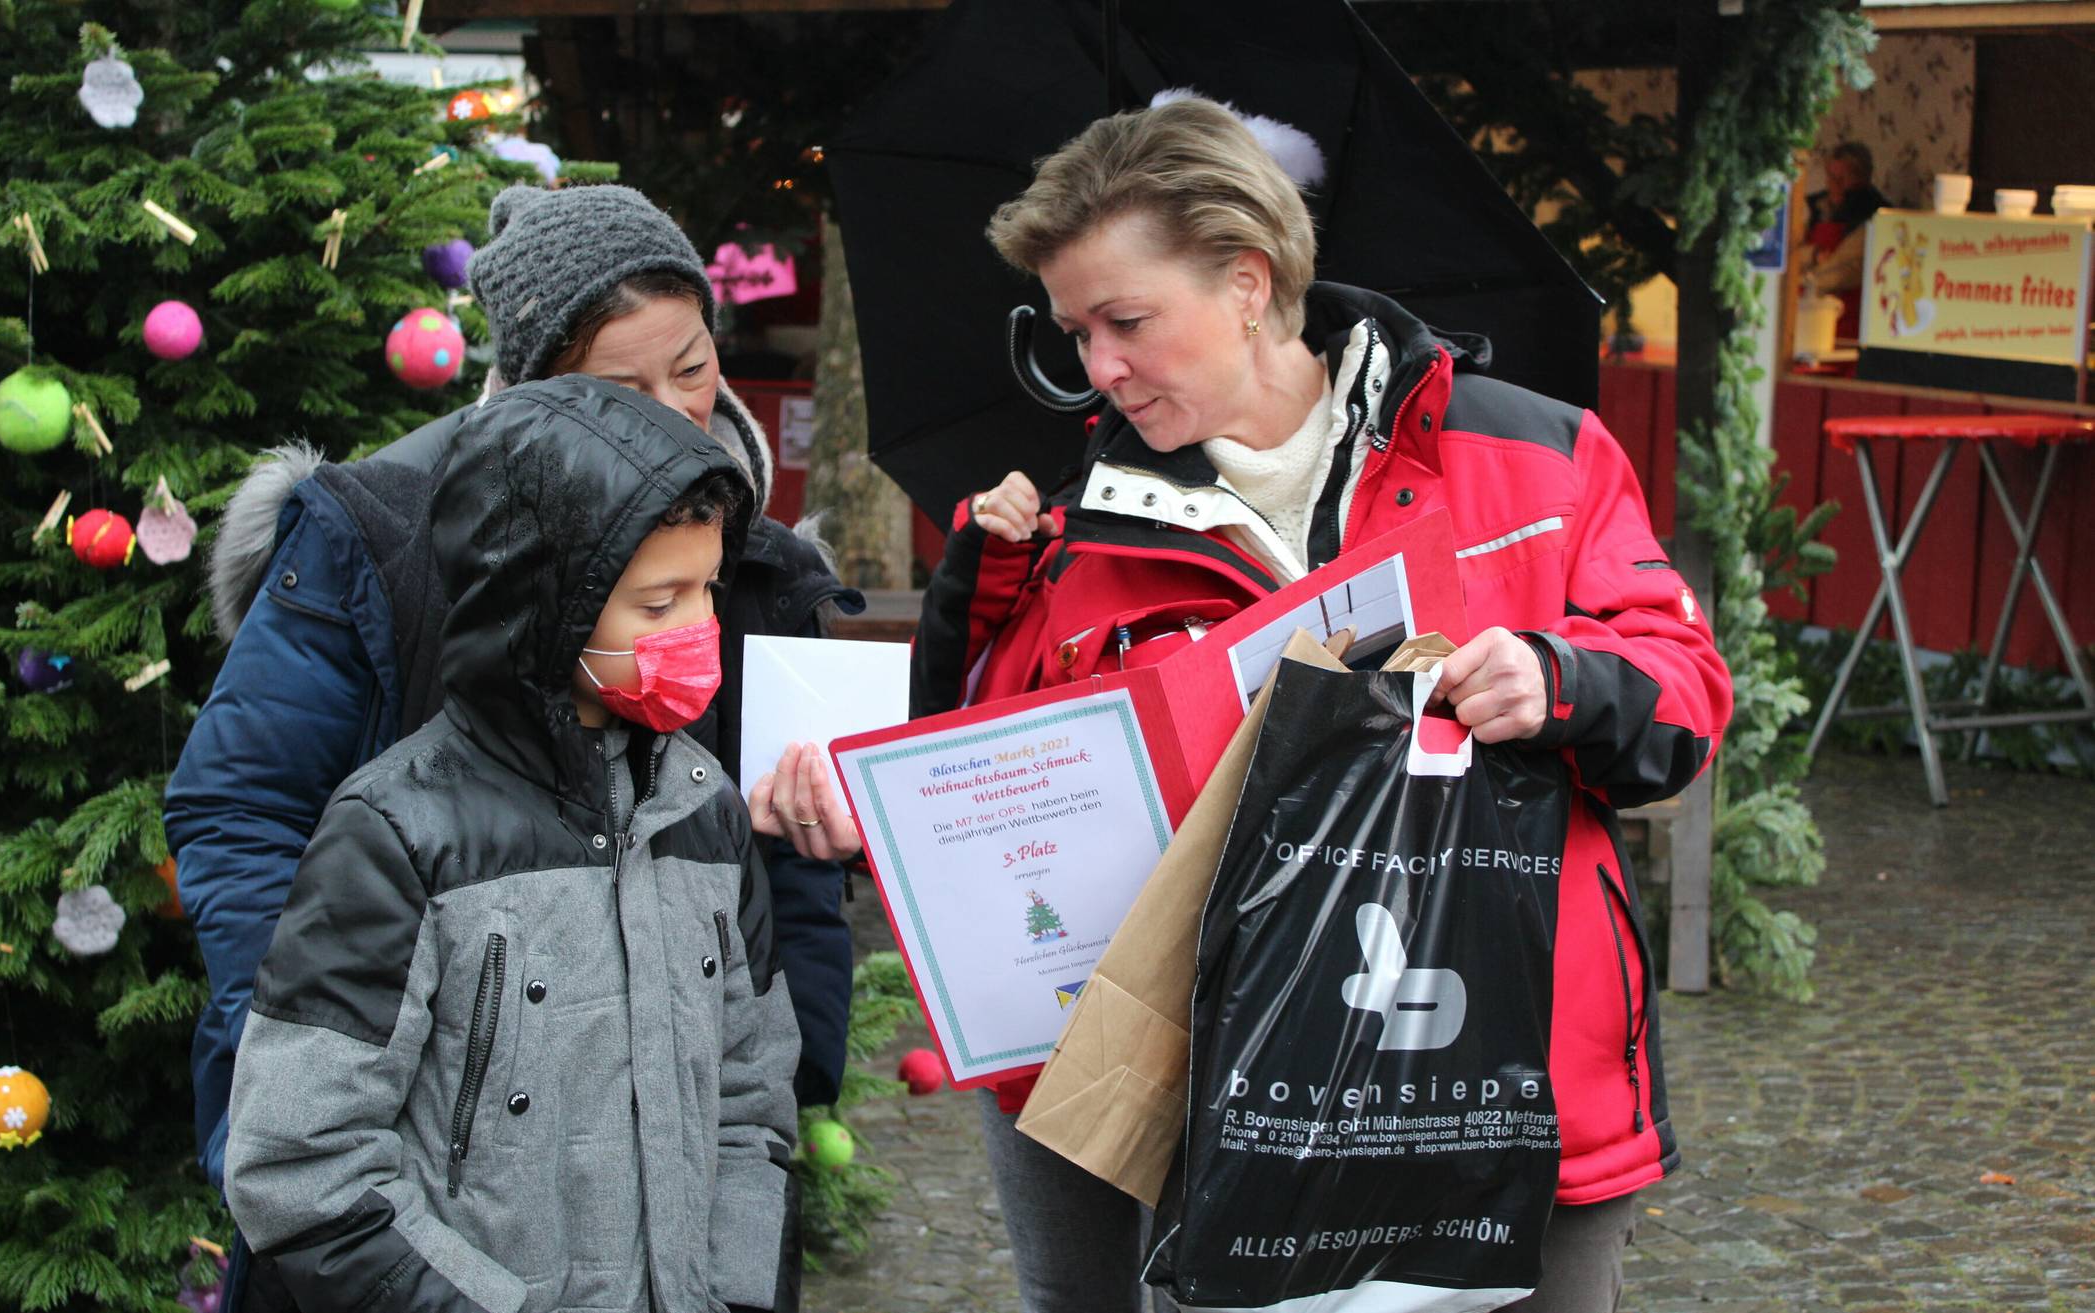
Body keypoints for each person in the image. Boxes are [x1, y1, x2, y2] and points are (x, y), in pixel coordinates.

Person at [913, 96, 1732, 1313]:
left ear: (1249, 282)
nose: (1098, 369)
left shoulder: (1534, 456)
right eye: (1078, 331)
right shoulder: (1074, 544)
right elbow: (996, 816)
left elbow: (1686, 704)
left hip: (1515, 1091)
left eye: (1126, 321)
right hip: (1244, 1124)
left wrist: (1556, 680)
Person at [166, 183, 859, 1312]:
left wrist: (788, 1048)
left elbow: (757, 974)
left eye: (690, 368)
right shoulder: (375, 531)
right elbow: (239, 806)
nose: (673, 413)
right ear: (533, 387)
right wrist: (342, 1040)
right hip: (436, 1160)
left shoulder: (750, 550)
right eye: (618, 387)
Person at [223, 374, 797, 1313]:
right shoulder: (398, 833)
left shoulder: (706, 811)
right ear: (545, 604)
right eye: (658, 605)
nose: (700, 630)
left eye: (707, 590)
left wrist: (736, 1293)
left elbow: (752, 1102)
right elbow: (302, 1163)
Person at [1797, 141, 1887, 337]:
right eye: (1831, 176)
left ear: (1863, 179)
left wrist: (1803, 283)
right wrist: (1813, 254)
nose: (1834, 185)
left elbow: (1842, 270)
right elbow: (1794, 253)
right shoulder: (1814, 207)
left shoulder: (1875, 217)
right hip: (1808, 316)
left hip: (1846, 318)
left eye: (1843, 178)